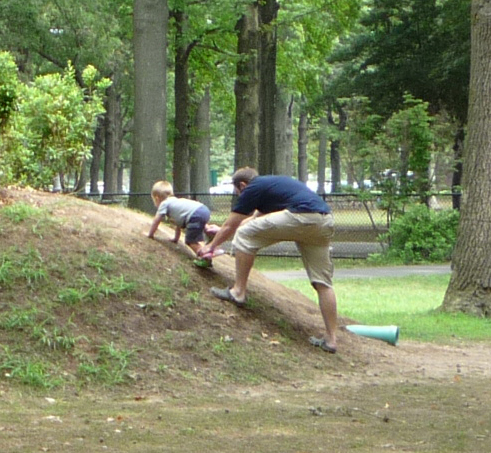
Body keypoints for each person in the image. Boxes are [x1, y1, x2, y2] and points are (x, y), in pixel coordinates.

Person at [198, 167, 338, 353]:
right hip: (324, 221)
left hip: (301, 217)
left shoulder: (252, 188)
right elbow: (253, 220)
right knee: (323, 282)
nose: (240, 196)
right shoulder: (271, 187)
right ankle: (331, 340)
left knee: (245, 235)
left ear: (242, 185)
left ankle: (238, 291)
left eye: (238, 192)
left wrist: (210, 247)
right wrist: (222, 230)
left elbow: (232, 225)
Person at [148, 181, 220, 267]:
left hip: (194, 215)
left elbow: (157, 220)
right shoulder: (176, 202)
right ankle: (211, 232)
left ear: (157, 198)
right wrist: (176, 238)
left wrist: (150, 234)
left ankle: (204, 256)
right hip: (203, 209)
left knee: (190, 240)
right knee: (200, 224)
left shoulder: (164, 204)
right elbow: (178, 224)